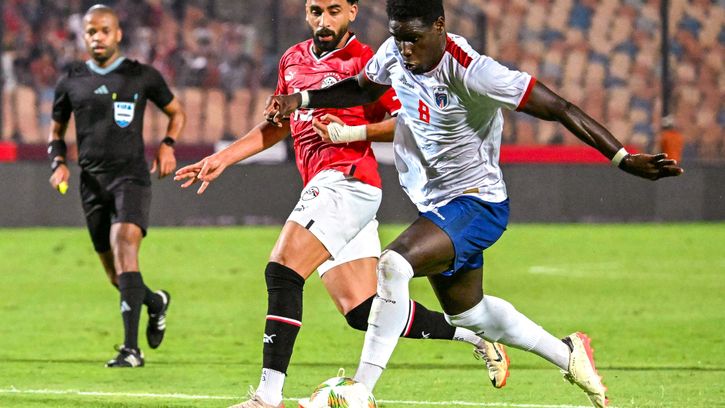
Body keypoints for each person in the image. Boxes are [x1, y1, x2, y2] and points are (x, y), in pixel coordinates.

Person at [263, 0, 685, 406]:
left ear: (439, 26)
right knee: (469, 315)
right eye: (399, 37)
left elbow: (560, 107)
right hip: (436, 207)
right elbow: (360, 88)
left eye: (414, 39)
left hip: (477, 203)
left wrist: (623, 158)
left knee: (393, 264)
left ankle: (360, 391)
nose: (405, 49)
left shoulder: (474, 72)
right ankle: (567, 353)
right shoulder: (395, 52)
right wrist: (301, 100)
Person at [175, 1, 508, 407]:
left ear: (352, 11)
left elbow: (406, 121)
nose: (324, 20)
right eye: (316, 10)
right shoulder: (292, 59)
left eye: (334, 10)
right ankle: (476, 337)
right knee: (362, 310)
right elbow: (279, 125)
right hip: (327, 186)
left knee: (283, 270)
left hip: (348, 180)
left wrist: (350, 132)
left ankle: (267, 396)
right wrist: (223, 158)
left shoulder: (369, 61)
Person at [48, 4, 185, 368]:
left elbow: (177, 112)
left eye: (104, 30)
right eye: (91, 32)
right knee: (116, 275)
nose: (98, 37)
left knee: (124, 246)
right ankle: (155, 302)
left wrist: (167, 145)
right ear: (84, 36)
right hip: (91, 183)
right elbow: (56, 131)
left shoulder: (142, 76)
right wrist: (58, 163)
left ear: (118, 34)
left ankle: (131, 350)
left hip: (131, 178)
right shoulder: (71, 80)